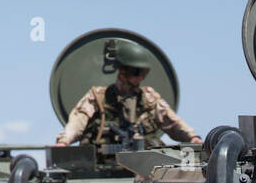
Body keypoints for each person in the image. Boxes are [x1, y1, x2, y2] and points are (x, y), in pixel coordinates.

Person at [55, 39, 201, 148]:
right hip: (102, 163)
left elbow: (172, 122)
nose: (140, 77)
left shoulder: (149, 98)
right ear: (122, 71)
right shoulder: (97, 97)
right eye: (136, 72)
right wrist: (64, 141)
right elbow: (77, 122)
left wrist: (192, 137)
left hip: (144, 164)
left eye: (144, 73)